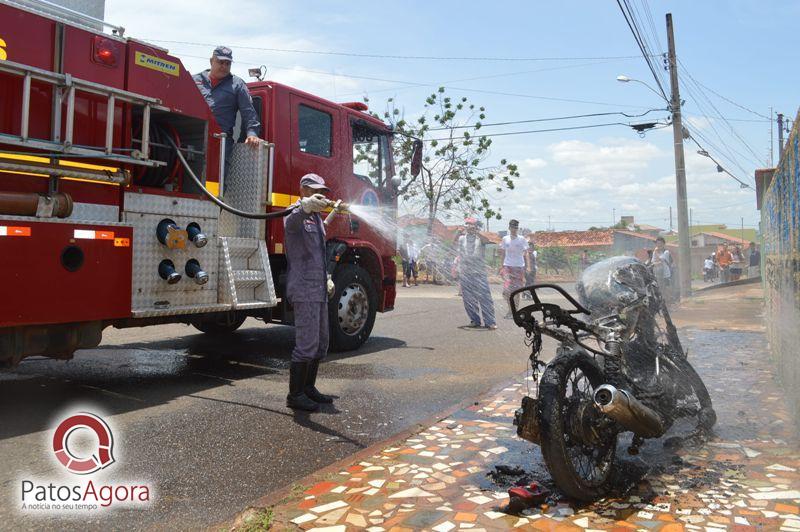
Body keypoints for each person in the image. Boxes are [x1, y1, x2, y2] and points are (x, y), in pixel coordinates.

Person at [283, 173, 337, 412]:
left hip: (319, 288)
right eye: (315, 190)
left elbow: (319, 246)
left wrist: (327, 277)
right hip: (304, 288)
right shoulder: (295, 212)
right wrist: (303, 207)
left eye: (323, 191)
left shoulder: (316, 218)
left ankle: (309, 388)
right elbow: (291, 223)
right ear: (303, 190)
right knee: (306, 343)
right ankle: (295, 395)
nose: (321, 194)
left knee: (321, 342)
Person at [193, 46, 261, 177]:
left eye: (227, 63)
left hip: (220, 143)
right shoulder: (194, 80)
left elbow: (248, 112)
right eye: (220, 62)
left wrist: (252, 134)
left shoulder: (237, 84)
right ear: (211, 61)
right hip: (192, 137)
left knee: (215, 182)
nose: (224, 66)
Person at [458, 218, 496, 330]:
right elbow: (455, 245)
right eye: (468, 224)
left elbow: (487, 240)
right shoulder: (462, 239)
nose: (470, 227)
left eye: (472, 225)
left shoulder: (480, 238)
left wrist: (477, 232)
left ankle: (490, 322)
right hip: (466, 273)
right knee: (469, 299)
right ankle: (475, 320)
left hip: (479, 273)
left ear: (476, 226)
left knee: (484, 298)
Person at [499, 220, 529, 318]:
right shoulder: (505, 239)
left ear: (517, 228)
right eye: (512, 227)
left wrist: (528, 266)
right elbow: (502, 253)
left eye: (516, 227)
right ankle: (510, 309)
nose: (514, 229)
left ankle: (514, 311)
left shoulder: (522, 239)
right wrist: (501, 266)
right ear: (509, 228)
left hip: (519, 267)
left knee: (517, 291)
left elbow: (526, 252)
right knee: (507, 290)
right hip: (508, 266)